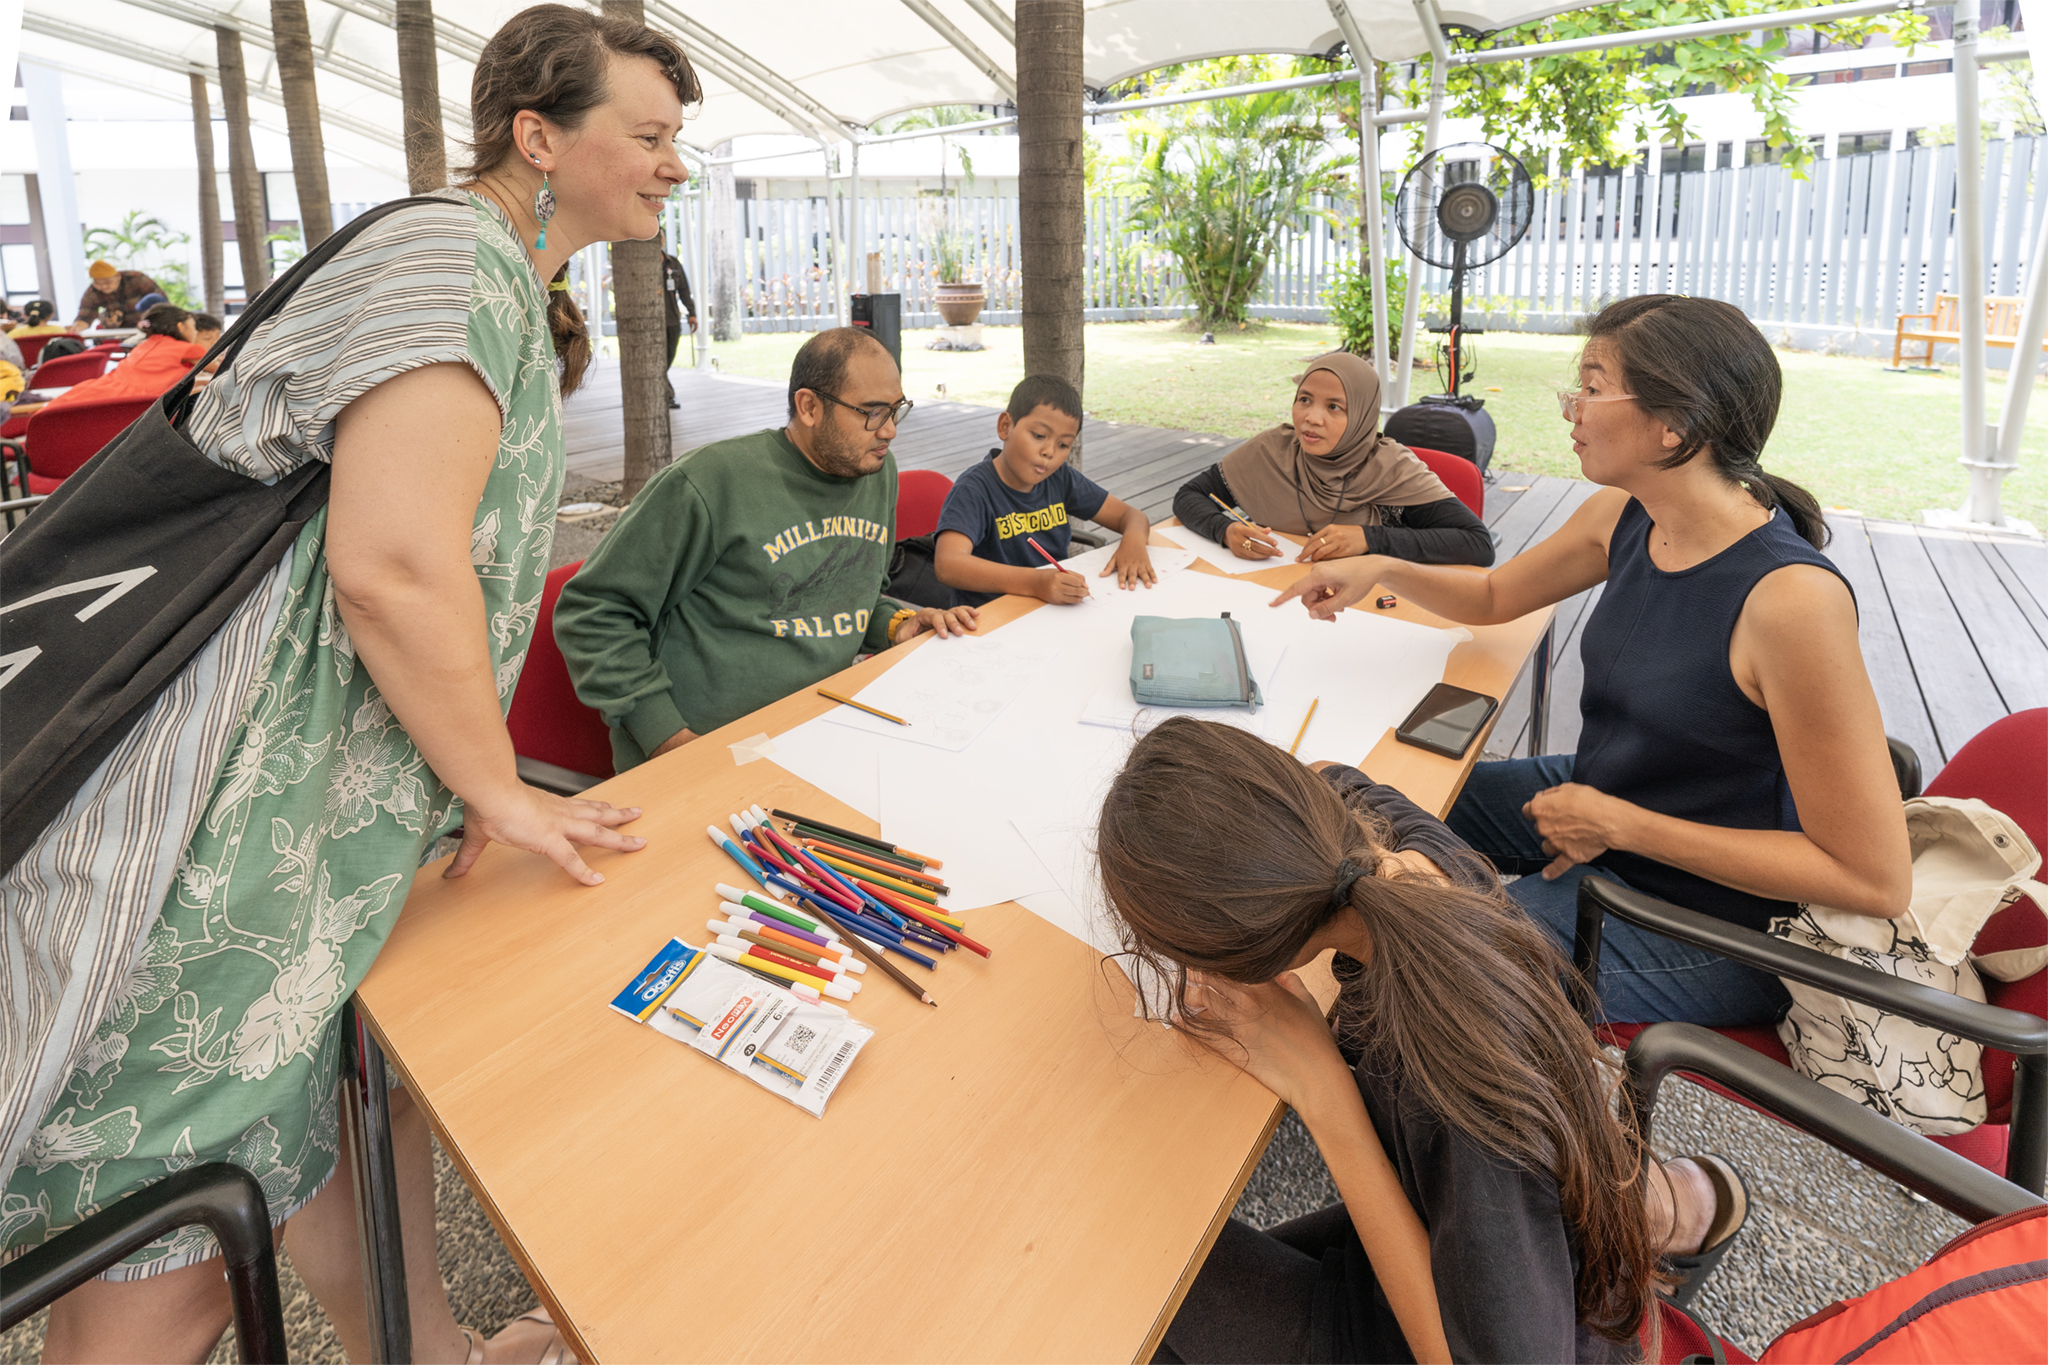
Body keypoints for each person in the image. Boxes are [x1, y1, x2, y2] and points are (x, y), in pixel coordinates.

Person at [3, 8, 700, 1362]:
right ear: (539, 136)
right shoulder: (452, 259)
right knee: (177, 1245)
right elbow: (391, 565)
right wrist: (500, 792)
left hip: (305, 827)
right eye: (650, 135)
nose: (673, 164)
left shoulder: (491, 275)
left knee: (323, 1122)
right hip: (222, 834)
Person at [1274, 295, 1912, 1028]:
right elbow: (1495, 594)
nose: (1571, 408)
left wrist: (1620, 825)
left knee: (1405, 976)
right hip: (1611, 796)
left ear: (1677, 425)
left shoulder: (1791, 601)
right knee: (1354, 796)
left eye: (1593, 387)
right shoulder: (1627, 513)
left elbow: (1873, 879)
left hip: (1719, 922)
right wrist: (1382, 567)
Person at [1098, 718, 1746, 1363]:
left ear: (1247, 960)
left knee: (1114, 1272)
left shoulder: (1456, 1084)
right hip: (1449, 1239)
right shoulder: (1430, 870)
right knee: (1151, 1253)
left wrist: (1323, 1092)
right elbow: (1334, 777)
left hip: (1451, 1329)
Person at [555, 326, 979, 772]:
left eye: (896, 410)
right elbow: (593, 613)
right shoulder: (711, 483)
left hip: (819, 729)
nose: (889, 430)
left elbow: (842, 594)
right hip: (708, 751)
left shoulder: (875, 470)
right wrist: (666, 737)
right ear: (809, 406)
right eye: (872, 413)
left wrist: (897, 625)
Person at [1173, 352, 1492, 568]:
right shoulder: (1273, 451)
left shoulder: (1390, 469)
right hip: (1274, 591)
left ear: (1362, 415)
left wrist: (1369, 539)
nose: (1311, 418)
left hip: (1370, 607)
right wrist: (1225, 530)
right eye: (1304, 400)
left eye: (1334, 407)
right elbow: (1190, 495)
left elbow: (1476, 544)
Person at [932, 373, 1156, 607]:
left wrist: (1134, 543)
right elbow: (948, 565)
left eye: (1063, 445)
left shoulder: (1060, 479)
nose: (1049, 452)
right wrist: (1035, 583)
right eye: (1039, 436)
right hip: (992, 615)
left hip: (1052, 607)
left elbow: (1131, 515)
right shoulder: (974, 490)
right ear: (1005, 427)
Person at [18, 303, 209, 419]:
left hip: (101, 390)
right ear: (180, 326)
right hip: (133, 405)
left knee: (54, 414)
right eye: (194, 327)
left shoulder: (146, 344)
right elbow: (219, 370)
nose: (195, 332)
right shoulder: (190, 349)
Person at [73, 259, 165, 330]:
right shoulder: (92, 292)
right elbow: (85, 316)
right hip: (120, 332)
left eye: (107, 282)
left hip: (148, 326)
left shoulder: (136, 279)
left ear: (118, 276)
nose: (104, 286)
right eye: (98, 283)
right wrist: (76, 328)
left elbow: (161, 301)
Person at [659, 228, 695, 408]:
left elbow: (684, 290)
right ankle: (668, 395)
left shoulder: (673, 263)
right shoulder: (642, 264)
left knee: (668, 358)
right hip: (652, 322)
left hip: (672, 320)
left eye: (660, 236)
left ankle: (662, 393)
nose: (658, 239)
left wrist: (692, 313)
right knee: (657, 361)